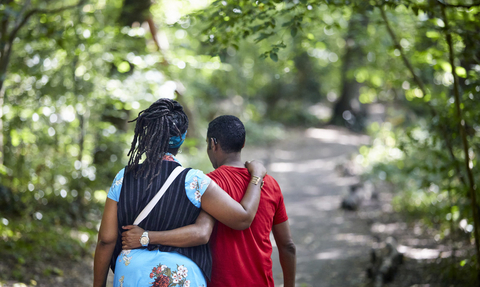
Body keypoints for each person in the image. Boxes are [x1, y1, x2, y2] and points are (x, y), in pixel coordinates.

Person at [93, 99, 267, 287]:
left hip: (131, 274)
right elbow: (242, 218)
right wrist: (256, 175)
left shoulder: (123, 178)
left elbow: (106, 240)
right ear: (182, 137)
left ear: (149, 134)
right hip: (182, 276)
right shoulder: (195, 181)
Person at [122, 115, 296, 287]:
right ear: (242, 144)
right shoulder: (270, 185)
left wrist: (145, 237)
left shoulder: (207, 186)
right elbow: (287, 246)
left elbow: (199, 233)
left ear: (213, 143)